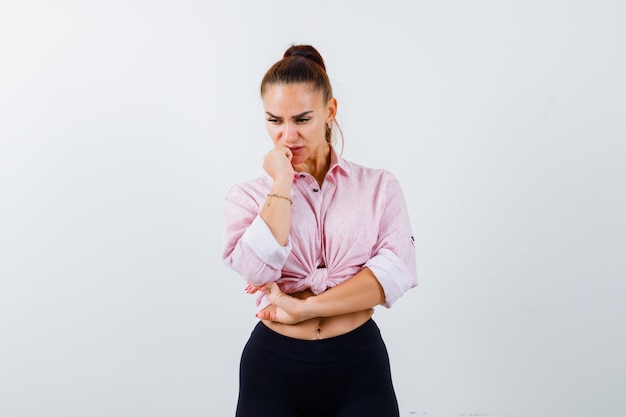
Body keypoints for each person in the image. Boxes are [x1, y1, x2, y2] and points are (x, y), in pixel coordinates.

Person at [222, 44, 417, 417]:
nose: (287, 136)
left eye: (301, 119)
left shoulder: (379, 187)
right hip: (272, 370)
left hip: (360, 366)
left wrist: (305, 307)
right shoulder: (246, 197)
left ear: (330, 111)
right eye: (275, 121)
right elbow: (257, 271)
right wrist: (281, 182)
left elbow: (394, 274)